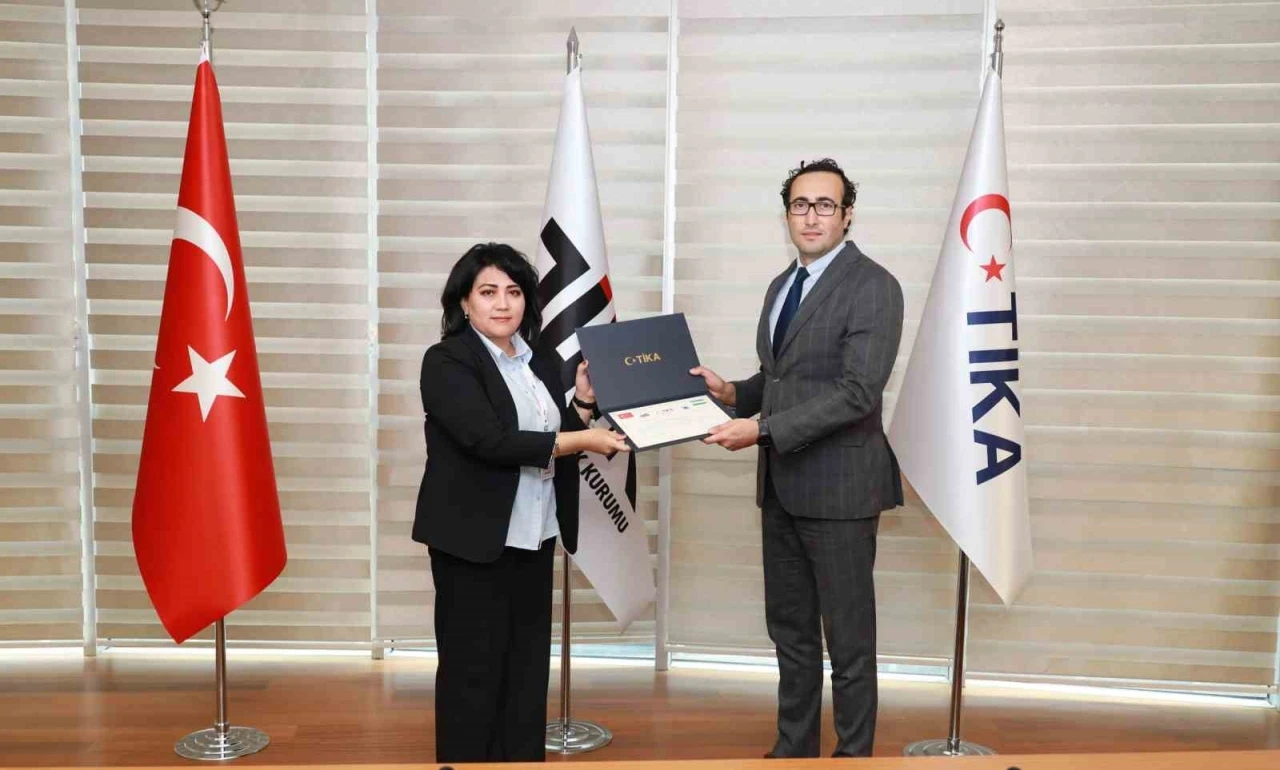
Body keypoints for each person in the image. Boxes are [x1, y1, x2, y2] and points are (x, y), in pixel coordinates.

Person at [690, 159, 904, 758]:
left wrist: (760, 430)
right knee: (791, 632)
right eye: (800, 205)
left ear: (847, 215)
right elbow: (782, 379)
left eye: (825, 205)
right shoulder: (783, 284)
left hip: (840, 490)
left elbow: (858, 393)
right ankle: (794, 749)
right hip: (783, 487)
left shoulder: (874, 286)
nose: (811, 216)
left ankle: (852, 757)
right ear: (786, 215)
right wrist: (732, 393)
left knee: (849, 641)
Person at [412, 242, 629, 763]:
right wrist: (583, 440)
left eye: (513, 292)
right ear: (464, 302)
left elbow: (550, 433)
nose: (503, 303)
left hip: (535, 534)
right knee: (472, 674)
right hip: (474, 541)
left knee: (526, 672)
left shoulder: (536, 361)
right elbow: (488, 441)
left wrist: (582, 403)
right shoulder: (447, 361)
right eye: (488, 292)